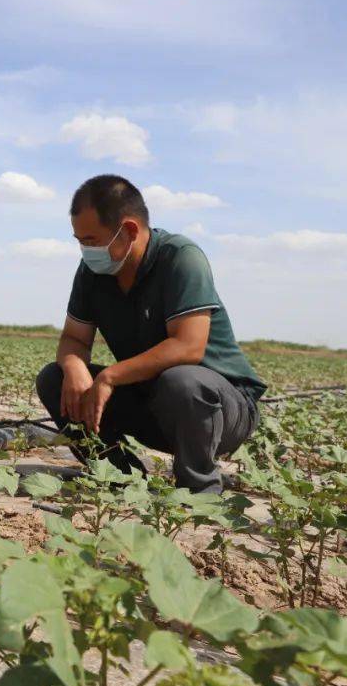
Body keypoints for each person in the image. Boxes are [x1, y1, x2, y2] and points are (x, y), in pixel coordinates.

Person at [36, 175, 266, 493]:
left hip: (221, 411)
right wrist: (74, 366)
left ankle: (199, 491)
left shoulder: (180, 258)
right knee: (54, 378)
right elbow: (74, 339)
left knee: (182, 380)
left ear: (128, 230)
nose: (85, 250)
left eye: (91, 240)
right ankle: (119, 476)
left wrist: (109, 376)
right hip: (153, 403)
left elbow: (188, 346)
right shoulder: (93, 273)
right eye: (79, 240)